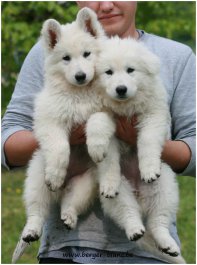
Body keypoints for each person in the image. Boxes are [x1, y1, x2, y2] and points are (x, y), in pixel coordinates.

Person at [2, 2, 195, 264]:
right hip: (68, 251)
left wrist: (141, 141)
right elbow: (8, 138)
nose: (105, 4)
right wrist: (64, 138)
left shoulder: (176, 56)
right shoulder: (48, 52)